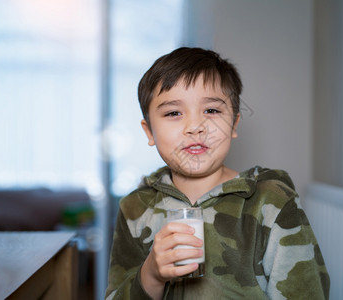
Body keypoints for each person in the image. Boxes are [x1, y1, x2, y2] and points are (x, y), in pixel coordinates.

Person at [105, 47, 330, 299]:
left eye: (211, 110)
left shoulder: (270, 201)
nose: (195, 127)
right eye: (173, 113)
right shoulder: (135, 208)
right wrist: (151, 276)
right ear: (149, 133)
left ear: (233, 123)